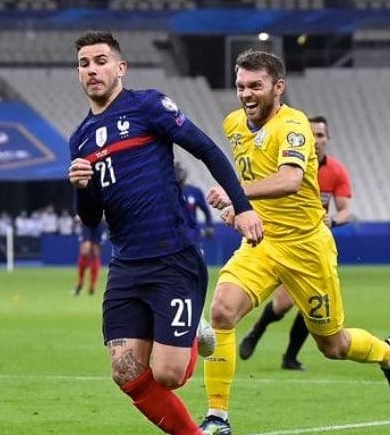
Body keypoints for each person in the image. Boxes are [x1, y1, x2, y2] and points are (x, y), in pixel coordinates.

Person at [199, 50, 390, 435]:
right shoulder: (233, 124)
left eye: (255, 86)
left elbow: (290, 180)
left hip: (307, 248)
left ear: (278, 87)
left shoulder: (293, 125)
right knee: (222, 313)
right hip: (263, 243)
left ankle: (388, 355)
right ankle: (217, 417)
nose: (245, 94)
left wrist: (235, 195)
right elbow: (257, 179)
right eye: (240, 86)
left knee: (333, 346)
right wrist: (240, 210)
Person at [67, 31, 262, 435]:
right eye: (84, 64)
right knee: (125, 371)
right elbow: (90, 218)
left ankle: (191, 330)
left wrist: (242, 206)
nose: (92, 70)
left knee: (169, 375)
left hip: (171, 256)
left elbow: (207, 149)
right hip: (126, 264)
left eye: (101, 61)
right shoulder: (80, 138)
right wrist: (82, 188)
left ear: (121, 68)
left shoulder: (148, 106)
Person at [239, 115, 353, 371]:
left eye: (320, 135)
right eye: (311, 134)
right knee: (282, 304)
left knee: (310, 308)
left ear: (328, 139)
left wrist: (333, 220)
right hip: (281, 241)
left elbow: (346, 209)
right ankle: (256, 332)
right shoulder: (285, 165)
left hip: (312, 244)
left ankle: (290, 357)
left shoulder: (336, 171)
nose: (316, 140)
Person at [175, 161, 215, 240]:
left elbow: (206, 211)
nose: (178, 175)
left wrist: (209, 226)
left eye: (180, 172)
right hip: (174, 235)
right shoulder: (167, 192)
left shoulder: (194, 191)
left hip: (192, 234)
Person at [72, 216, 106, 296]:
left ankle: (92, 286)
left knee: (95, 253)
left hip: (99, 223)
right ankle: (80, 282)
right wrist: (79, 215)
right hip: (86, 222)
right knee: (85, 251)